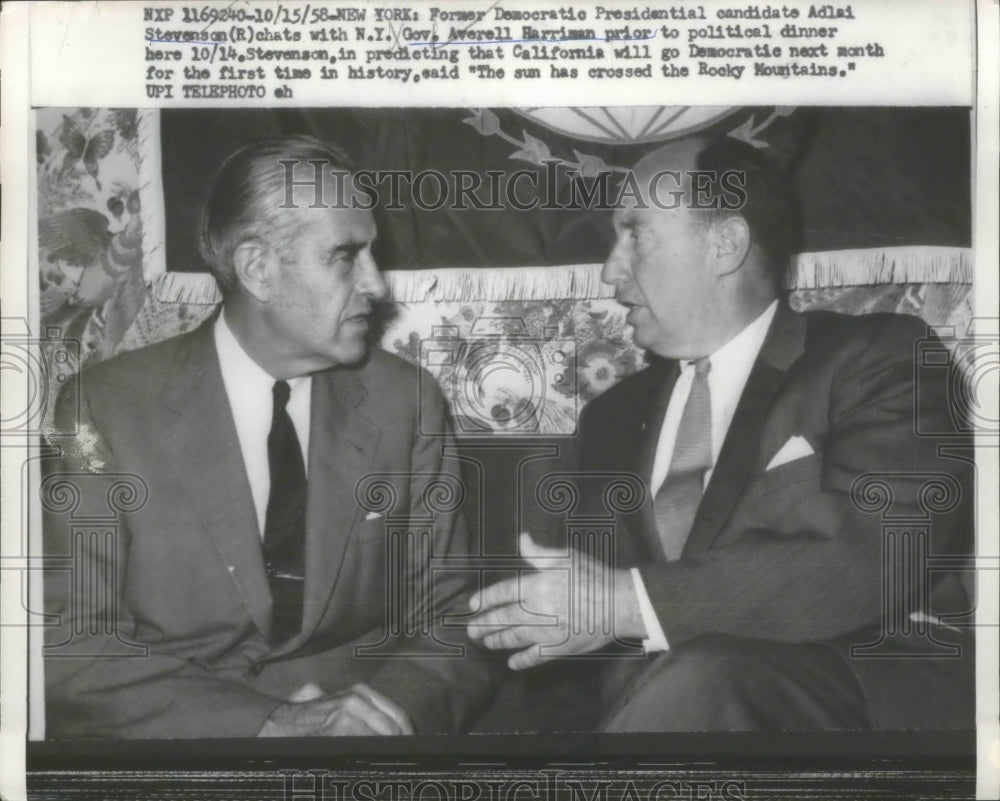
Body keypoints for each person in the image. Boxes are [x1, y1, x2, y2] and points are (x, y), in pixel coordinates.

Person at [467, 136, 974, 731]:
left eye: (635, 234)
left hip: (849, 707)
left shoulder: (878, 358)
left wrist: (625, 604)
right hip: (655, 724)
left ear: (725, 244)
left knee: (704, 678)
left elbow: (880, 553)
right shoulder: (609, 418)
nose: (609, 271)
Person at [43, 135, 499, 738]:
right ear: (258, 268)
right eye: (346, 256)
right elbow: (71, 640)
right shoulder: (101, 409)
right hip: (186, 746)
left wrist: (380, 715)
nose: (376, 284)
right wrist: (268, 722)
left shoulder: (405, 402)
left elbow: (451, 619)